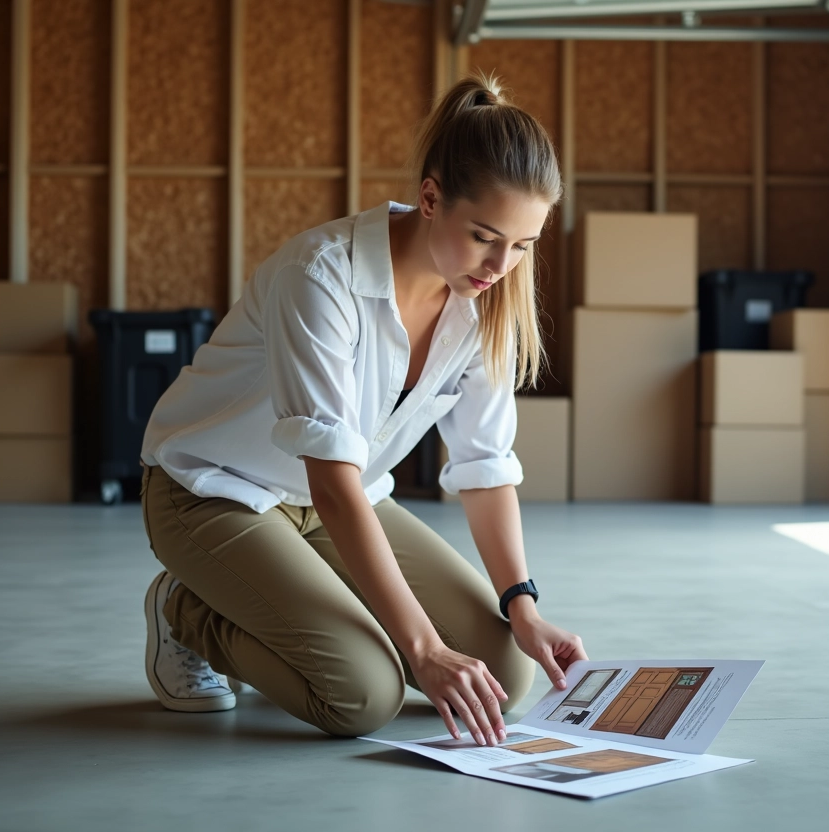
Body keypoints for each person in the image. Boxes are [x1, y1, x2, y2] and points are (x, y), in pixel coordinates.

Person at [137, 74, 587, 748]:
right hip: (213, 492)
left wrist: (522, 607)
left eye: (523, 245)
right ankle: (185, 610)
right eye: (486, 237)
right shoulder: (320, 275)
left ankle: (282, 605)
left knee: (505, 671)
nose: (502, 265)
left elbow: (485, 467)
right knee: (361, 694)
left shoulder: (483, 302)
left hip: (334, 502)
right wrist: (424, 650)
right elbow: (333, 480)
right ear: (430, 198)